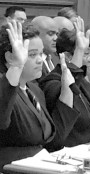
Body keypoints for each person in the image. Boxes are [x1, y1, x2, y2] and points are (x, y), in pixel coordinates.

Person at [0, 21, 76, 170]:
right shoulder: (4, 89)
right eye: (32, 54)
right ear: (10, 57)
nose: (40, 59)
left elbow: (54, 140)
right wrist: (17, 66)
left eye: (41, 53)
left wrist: (67, 89)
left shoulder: (34, 90)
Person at [39, 17, 90, 150]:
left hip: (88, 150)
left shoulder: (85, 83)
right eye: (85, 54)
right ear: (66, 56)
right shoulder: (52, 82)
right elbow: (70, 87)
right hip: (64, 154)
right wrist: (79, 50)